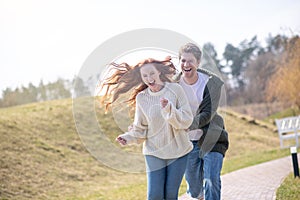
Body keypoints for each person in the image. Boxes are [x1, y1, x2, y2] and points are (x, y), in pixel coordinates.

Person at [99, 57, 194, 200]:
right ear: (141, 78)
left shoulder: (175, 90)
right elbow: (140, 127)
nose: (149, 78)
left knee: (170, 195)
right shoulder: (142, 98)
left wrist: (169, 110)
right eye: (145, 76)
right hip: (154, 151)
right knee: (154, 195)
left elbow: (186, 120)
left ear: (159, 73)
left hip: (178, 151)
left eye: (152, 73)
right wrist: (128, 137)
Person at [175, 43, 229, 200]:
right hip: (187, 142)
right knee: (194, 187)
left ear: (198, 62)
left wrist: (186, 124)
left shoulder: (212, 83)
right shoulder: (173, 85)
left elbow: (207, 114)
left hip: (211, 138)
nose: (186, 65)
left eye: (190, 61)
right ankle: (199, 196)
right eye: (183, 60)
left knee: (211, 179)